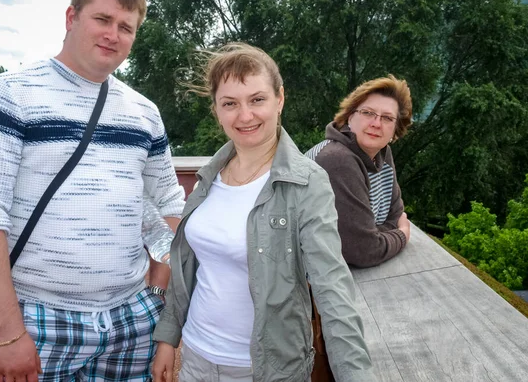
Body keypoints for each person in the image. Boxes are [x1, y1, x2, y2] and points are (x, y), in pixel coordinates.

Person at [0, 0, 185, 382]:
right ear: (71, 17)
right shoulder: (8, 96)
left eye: (126, 27)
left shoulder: (145, 113)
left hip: (132, 320)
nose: (114, 34)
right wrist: (6, 333)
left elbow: (168, 203)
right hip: (38, 319)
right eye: (103, 19)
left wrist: (157, 294)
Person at [151, 43, 376, 382]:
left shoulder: (306, 183)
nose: (245, 115)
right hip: (197, 358)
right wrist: (169, 337)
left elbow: (333, 290)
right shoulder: (208, 178)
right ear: (216, 110)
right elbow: (189, 266)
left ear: (279, 98)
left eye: (257, 99)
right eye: (230, 103)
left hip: (267, 370)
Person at [305, 75, 412, 268]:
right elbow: (363, 251)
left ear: (396, 130)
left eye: (387, 118)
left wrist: (370, 235)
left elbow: (395, 215)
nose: (376, 124)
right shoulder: (337, 160)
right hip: (303, 282)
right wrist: (402, 235)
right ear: (349, 117)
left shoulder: (381, 153)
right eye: (368, 113)